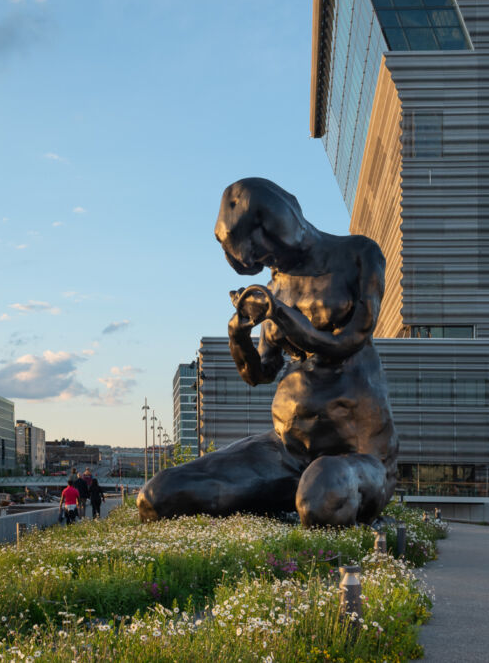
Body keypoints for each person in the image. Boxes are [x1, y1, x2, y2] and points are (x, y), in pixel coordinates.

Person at [137, 178, 398, 527]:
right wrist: (238, 333)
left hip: (358, 453)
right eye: (257, 260)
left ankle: (312, 500)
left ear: (280, 226)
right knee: (159, 496)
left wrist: (279, 313)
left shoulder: (358, 255)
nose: (267, 262)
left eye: (264, 253)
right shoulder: (275, 288)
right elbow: (260, 373)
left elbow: (348, 342)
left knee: (321, 497)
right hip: (286, 452)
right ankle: (278, 494)